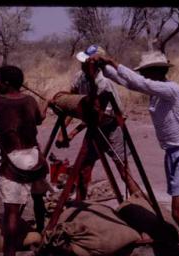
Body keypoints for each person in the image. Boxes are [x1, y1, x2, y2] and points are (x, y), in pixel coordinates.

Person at [92, 51, 179, 256]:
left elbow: (138, 82)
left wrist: (112, 62)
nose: (145, 76)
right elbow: (129, 82)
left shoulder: (171, 90)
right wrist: (102, 69)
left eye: (148, 72)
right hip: (174, 154)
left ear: (159, 71)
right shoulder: (155, 93)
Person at [54, 44, 141, 201]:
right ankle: (81, 204)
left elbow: (100, 117)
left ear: (96, 64)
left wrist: (73, 133)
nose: (82, 64)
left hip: (112, 127)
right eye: (83, 61)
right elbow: (72, 103)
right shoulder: (79, 77)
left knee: (124, 171)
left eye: (87, 62)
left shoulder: (104, 84)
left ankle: (140, 202)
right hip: (94, 128)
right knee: (84, 169)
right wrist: (62, 132)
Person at [0, 65, 48, 256]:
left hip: (13, 162)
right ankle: (44, 235)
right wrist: (46, 106)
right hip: (34, 159)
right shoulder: (30, 101)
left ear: (6, 83)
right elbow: (39, 119)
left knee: (11, 213)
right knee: (39, 198)